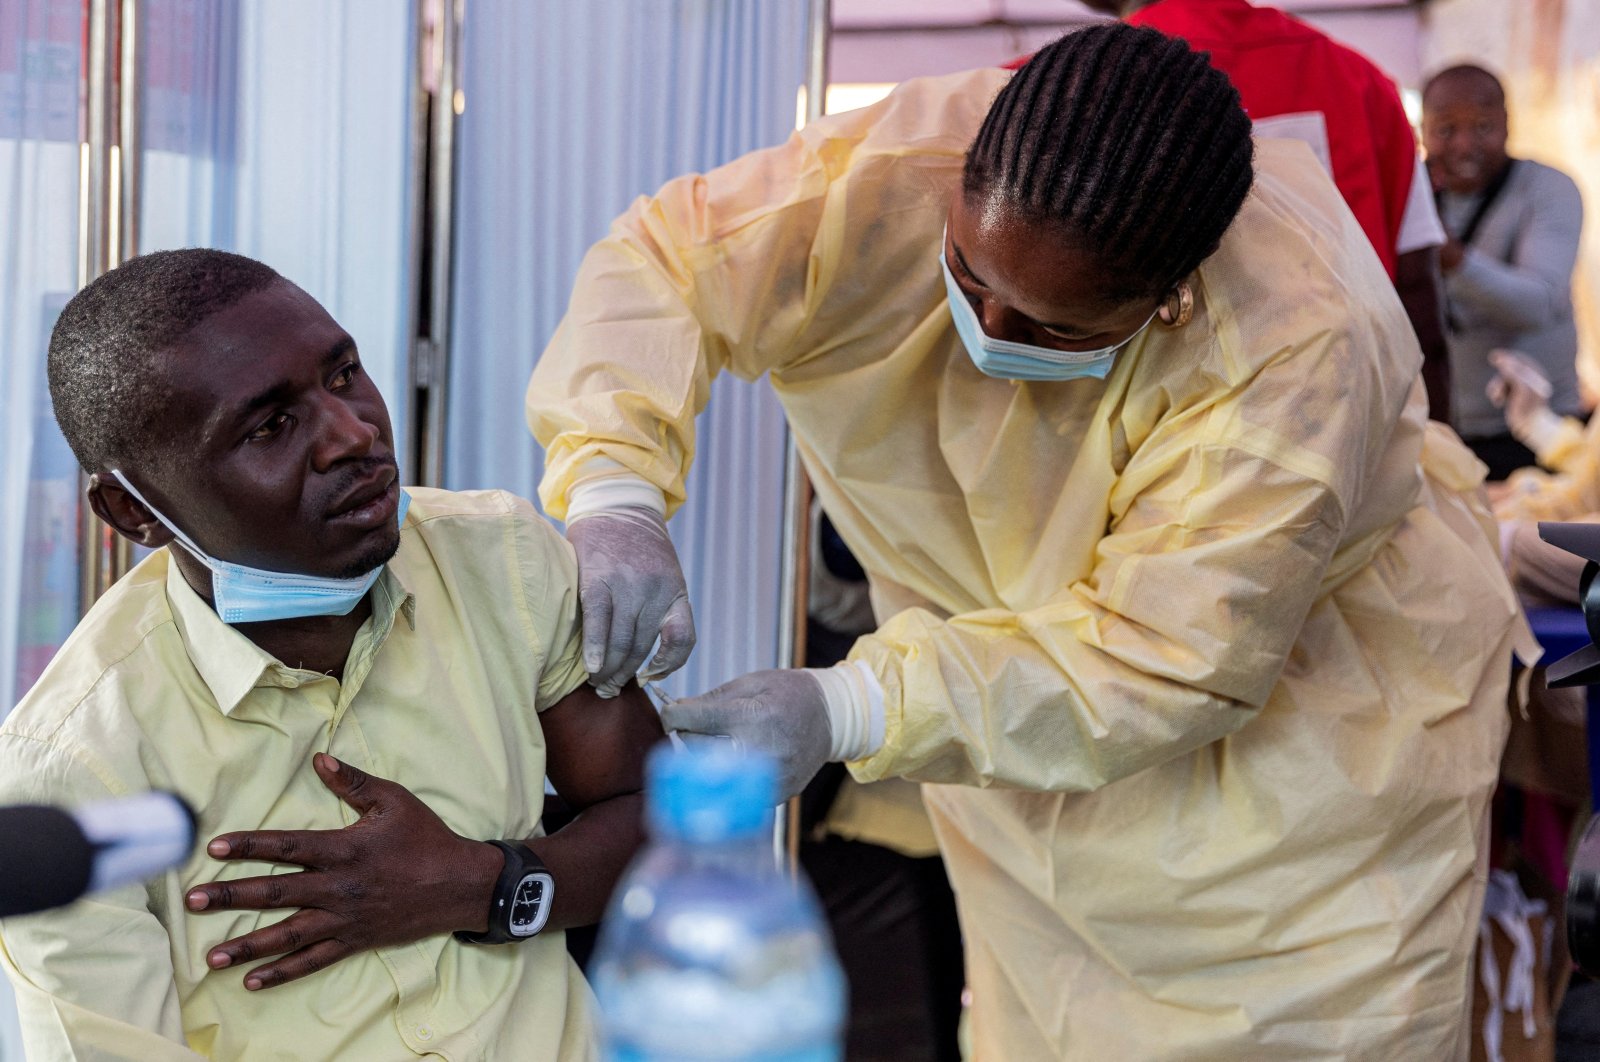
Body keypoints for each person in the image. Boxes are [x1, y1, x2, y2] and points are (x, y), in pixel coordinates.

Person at [527, 24, 1532, 1059]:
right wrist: (613, 488)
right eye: (966, 276)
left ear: (1174, 294)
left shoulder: (1298, 346)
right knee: (1038, 1022)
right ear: (960, 178)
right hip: (1016, 732)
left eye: (1058, 330)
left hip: (1305, 780)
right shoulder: (889, 170)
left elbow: (1165, 659)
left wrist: (853, 703)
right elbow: (664, 267)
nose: (991, 337)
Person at [0, 249, 664, 1060]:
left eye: (343, 374)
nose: (355, 436)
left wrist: (484, 887)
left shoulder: (501, 561)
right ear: (132, 510)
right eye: (271, 426)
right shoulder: (75, 772)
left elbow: (664, 818)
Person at [1079, 0, 1454, 420]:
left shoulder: (1048, 93)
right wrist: (1437, 447)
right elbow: (1417, 293)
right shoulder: (1364, 87)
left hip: (1133, 445)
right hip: (1343, 432)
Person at [1423, 63, 1585, 480]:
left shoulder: (1547, 189)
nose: (1464, 145)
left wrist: (1450, 257)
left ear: (1508, 124)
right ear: (1422, 130)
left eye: (1482, 126)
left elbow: (1535, 304)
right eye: (1445, 129)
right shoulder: (1413, 191)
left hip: (1537, 433)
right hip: (1440, 432)